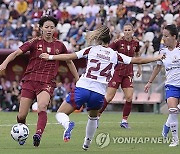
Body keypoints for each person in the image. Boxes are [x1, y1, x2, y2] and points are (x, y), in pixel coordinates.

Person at [39, 25, 164, 150]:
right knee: (93, 117)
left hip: (83, 87)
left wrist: (50, 57)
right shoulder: (115, 55)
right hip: (98, 93)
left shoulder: (91, 50)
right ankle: (86, 144)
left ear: (98, 39)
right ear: (109, 41)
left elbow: (69, 57)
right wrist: (156, 57)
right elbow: (138, 60)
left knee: (60, 113)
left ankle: (67, 125)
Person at [0, 16, 79, 147]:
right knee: (21, 115)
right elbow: (15, 53)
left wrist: (77, 79)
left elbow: (69, 61)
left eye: (52, 27)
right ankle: (23, 132)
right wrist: (4, 63)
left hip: (47, 82)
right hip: (30, 80)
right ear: (40, 28)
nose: (49, 30)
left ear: (55, 29)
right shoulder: (34, 42)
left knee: (42, 107)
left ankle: (38, 134)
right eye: (46, 27)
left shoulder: (60, 45)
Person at [98, 23, 142, 129]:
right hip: (117, 72)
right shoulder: (118, 42)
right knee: (109, 97)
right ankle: (97, 117)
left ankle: (124, 121)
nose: (127, 32)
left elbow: (137, 54)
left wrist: (139, 67)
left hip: (128, 73)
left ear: (133, 31)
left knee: (129, 97)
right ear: (123, 31)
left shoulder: (136, 43)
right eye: (125, 30)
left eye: (129, 30)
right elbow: (107, 51)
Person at [144, 24, 180, 147]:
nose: (164, 39)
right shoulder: (163, 51)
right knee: (173, 110)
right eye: (163, 36)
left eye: (166, 36)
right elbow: (158, 67)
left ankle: (167, 125)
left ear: (174, 36)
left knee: (174, 111)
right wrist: (149, 82)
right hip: (171, 85)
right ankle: (175, 140)